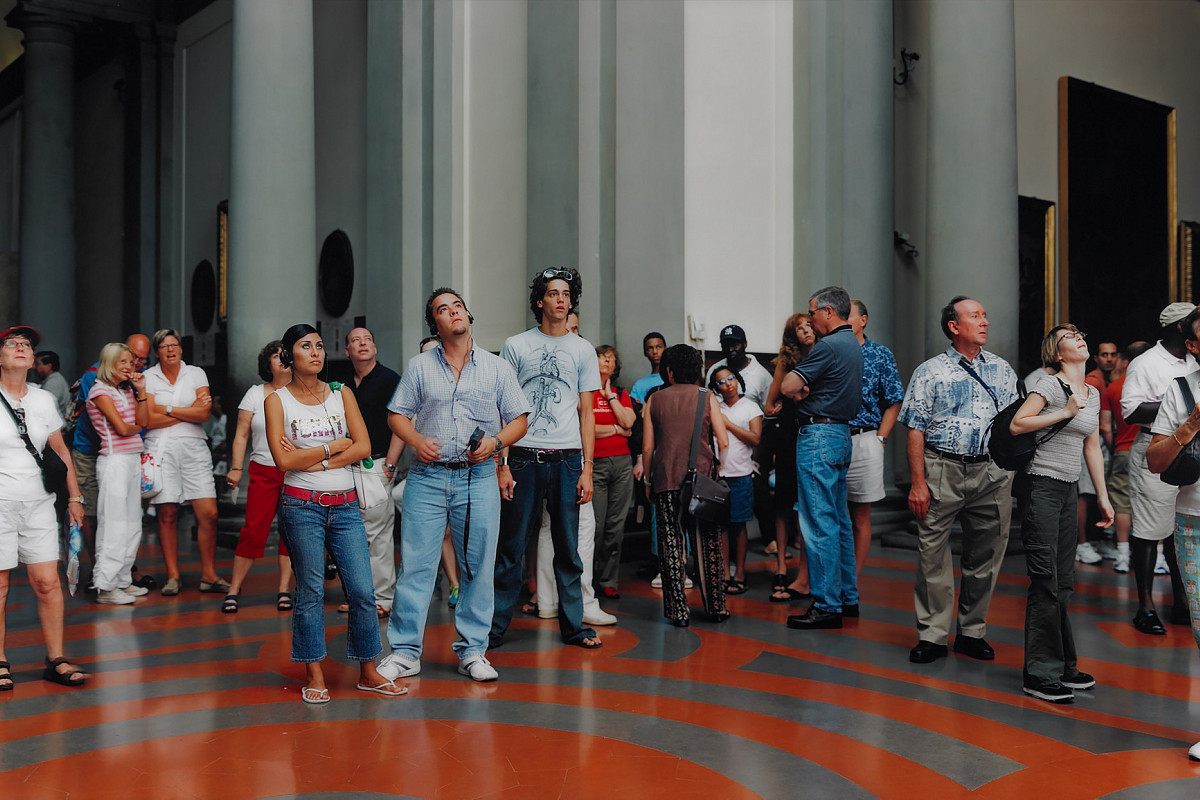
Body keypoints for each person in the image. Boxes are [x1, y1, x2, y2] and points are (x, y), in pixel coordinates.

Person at [378, 289, 529, 683]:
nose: (453, 313)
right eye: (443, 310)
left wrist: (495, 444)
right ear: (437, 325)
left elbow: (519, 421)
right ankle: (406, 652)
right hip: (428, 477)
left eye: (457, 306)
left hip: (478, 477)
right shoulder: (419, 366)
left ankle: (473, 650)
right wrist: (416, 441)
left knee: (478, 565)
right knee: (416, 567)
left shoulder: (497, 368)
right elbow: (397, 415)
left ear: (467, 316)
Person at [265, 323, 405, 704]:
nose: (316, 353)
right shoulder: (277, 400)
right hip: (301, 506)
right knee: (309, 591)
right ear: (288, 356)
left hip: (344, 505)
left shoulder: (341, 393)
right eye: (306, 346)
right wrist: (331, 448)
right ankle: (314, 672)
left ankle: (368, 670)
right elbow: (283, 460)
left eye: (320, 346)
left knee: (362, 590)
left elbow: (362, 447)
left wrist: (313, 459)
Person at [898, 295, 1019, 663]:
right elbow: (916, 430)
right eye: (975, 316)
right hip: (941, 469)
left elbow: (1015, 423)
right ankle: (933, 635)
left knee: (986, 556)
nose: (984, 321)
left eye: (985, 315)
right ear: (954, 326)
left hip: (992, 473)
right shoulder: (930, 371)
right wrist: (918, 483)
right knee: (932, 554)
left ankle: (972, 631)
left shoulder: (1002, 370)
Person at [491, 267, 603, 650]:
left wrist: (588, 468)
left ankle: (574, 627)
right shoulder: (516, 345)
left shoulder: (583, 349)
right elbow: (503, 409)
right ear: (539, 301)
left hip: (568, 459)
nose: (561, 299)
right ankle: (494, 629)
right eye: (553, 293)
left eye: (566, 294)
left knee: (568, 550)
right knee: (511, 548)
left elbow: (587, 413)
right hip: (522, 457)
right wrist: (502, 464)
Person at [1009, 324, 1113, 703]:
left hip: (1069, 489)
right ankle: (1039, 672)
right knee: (1045, 578)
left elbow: (1092, 449)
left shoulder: (1093, 392)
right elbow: (1018, 424)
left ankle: (1065, 665)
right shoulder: (1049, 386)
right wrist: (1064, 411)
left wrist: (1102, 496)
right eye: (1070, 336)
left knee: (1063, 580)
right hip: (1040, 486)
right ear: (1056, 352)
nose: (1080, 337)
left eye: (1081, 333)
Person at [0, 325, 87, 689]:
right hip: (1, 503)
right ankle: (0, 660)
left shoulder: (42, 400)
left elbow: (60, 451)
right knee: (0, 585)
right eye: (12, 343)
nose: (21, 347)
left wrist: (75, 497)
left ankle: (55, 657)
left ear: (34, 360)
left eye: (27, 345)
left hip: (39, 503)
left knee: (47, 582)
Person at [780, 287, 864, 630]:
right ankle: (847, 598)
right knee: (840, 521)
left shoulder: (828, 346)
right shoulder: (854, 345)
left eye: (812, 312)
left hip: (818, 436)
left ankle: (827, 604)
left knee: (819, 523)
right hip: (842, 435)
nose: (810, 318)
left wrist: (800, 389)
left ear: (829, 312)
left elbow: (787, 386)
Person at [1143, 308, 1200, 759]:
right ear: (1194, 346)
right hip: (1195, 522)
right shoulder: (1180, 391)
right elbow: (1155, 461)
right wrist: (1193, 422)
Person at [1119, 302, 1195, 635]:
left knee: (1182, 526)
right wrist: (1176, 403)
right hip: (1159, 445)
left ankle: (1183, 601)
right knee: (1150, 528)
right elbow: (1130, 410)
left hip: (1192, 449)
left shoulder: (1193, 361)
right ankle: (1146, 606)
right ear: (1182, 329)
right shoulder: (1146, 362)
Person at [642, 344, 730, 626]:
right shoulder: (707, 397)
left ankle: (678, 611)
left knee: (671, 544)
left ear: (668, 371)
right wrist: (719, 468)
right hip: (702, 479)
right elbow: (723, 441)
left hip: (666, 478)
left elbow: (647, 448)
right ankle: (716, 607)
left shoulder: (655, 400)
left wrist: (647, 478)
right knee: (708, 542)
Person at [142, 329, 228, 596]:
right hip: (161, 449)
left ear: (181, 349)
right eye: (165, 346)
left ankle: (208, 574)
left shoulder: (196, 373)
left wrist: (165, 409)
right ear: (157, 352)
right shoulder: (148, 377)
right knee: (167, 514)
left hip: (194, 449)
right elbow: (148, 419)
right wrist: (186, 411)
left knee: (209, 513)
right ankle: (173, 575)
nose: (171, 350)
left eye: (175, 345)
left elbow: (203, 414)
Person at [70, 333, 152, 589]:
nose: (130, 367)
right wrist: (136, 424)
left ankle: (123, 580)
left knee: (132, 525)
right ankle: (105, 584)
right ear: (109, 364)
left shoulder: (126, 390)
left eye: (131, 362)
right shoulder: (99, 389)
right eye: (123, 362)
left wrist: (141, 393)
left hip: (131, 460)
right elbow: (122, 428)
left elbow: (143, 421)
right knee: (113, 524)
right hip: (114, 460)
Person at [222, 340, 295, 613]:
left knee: (292, 532)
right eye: (276, 356)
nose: (282, 360)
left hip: (295, 470)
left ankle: (284, 589)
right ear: (268, 364)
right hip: (263, 469)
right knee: (253, 529)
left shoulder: (303, 392)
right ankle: (234, 588)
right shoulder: (255, 394)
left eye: (286, 355)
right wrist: (236, 467)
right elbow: (241, 435)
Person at [342, 327, 405, 616]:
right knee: (350, 533)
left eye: (368, 339)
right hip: (344, 467)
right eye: (356, 340)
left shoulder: (389, 379)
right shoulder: (340, 383)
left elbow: (401, 423)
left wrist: (390, 465)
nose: (363, 343)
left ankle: (382, 598)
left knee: (378, 533)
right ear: (347, 351)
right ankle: (358, 596)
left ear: (375, 348)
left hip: (378, 464)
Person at [845, 299, 904, 580]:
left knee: (860, 515)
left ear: (863, 320)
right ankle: (828, 577)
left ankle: (852, 580)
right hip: (831, 436)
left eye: (849, 315)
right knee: (829, 513)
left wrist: (881, 438)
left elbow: (894, 400)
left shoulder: (880, 355)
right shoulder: (830, 351)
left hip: (865, 439)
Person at [764, 313, 815, 601]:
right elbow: (770, 403)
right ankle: (782, 567)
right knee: (784, 503)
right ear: (792, 334)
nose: (806, 330)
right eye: (800, 327)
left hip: (815, 433)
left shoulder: (824, 354)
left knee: (809, 505)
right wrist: (790, 400)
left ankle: (806, 573)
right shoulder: (787, 362)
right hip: (789, 437)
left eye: (809, 325)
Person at [710, 366, 761, 595]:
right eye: (721, 381)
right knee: (720, 525)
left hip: (741, 474)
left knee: (739, 525)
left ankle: (739, 573)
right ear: (716, 387)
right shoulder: (715, 407)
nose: (728, 383)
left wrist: (728, 424)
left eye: (731, 378)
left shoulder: (750, 407)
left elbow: (755, 438)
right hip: (719, 475)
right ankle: (724, 573)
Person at [1101, 342, 1151, 574]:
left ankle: (1122, 554)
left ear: (1124, 360)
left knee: (1121, 502)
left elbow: (1105, 426)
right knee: (1154, 500)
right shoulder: (1156, 384)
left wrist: (1115, 448)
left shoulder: (1114, 388)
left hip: (1122, 448)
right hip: (1153, 447)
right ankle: (1158, 556)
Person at [705, 324, 772, 408]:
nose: (730, 349)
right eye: (726, 345)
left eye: (735, 345)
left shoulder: (762, 376)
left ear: (745, 344)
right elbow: (708, 405)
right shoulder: (714, 371)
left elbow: (769, 414)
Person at [629, 332, 667, 405]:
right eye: (650, 348)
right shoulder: (639, 385)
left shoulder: (673, 378)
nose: (655, 352)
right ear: (645, 352)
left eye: (658, 347)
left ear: (665, 348)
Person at [33, 351, 70, 417]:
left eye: (37, 364)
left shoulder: (53, 383)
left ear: (49, 366)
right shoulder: (54, 379)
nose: (34, 367)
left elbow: (46, 409)